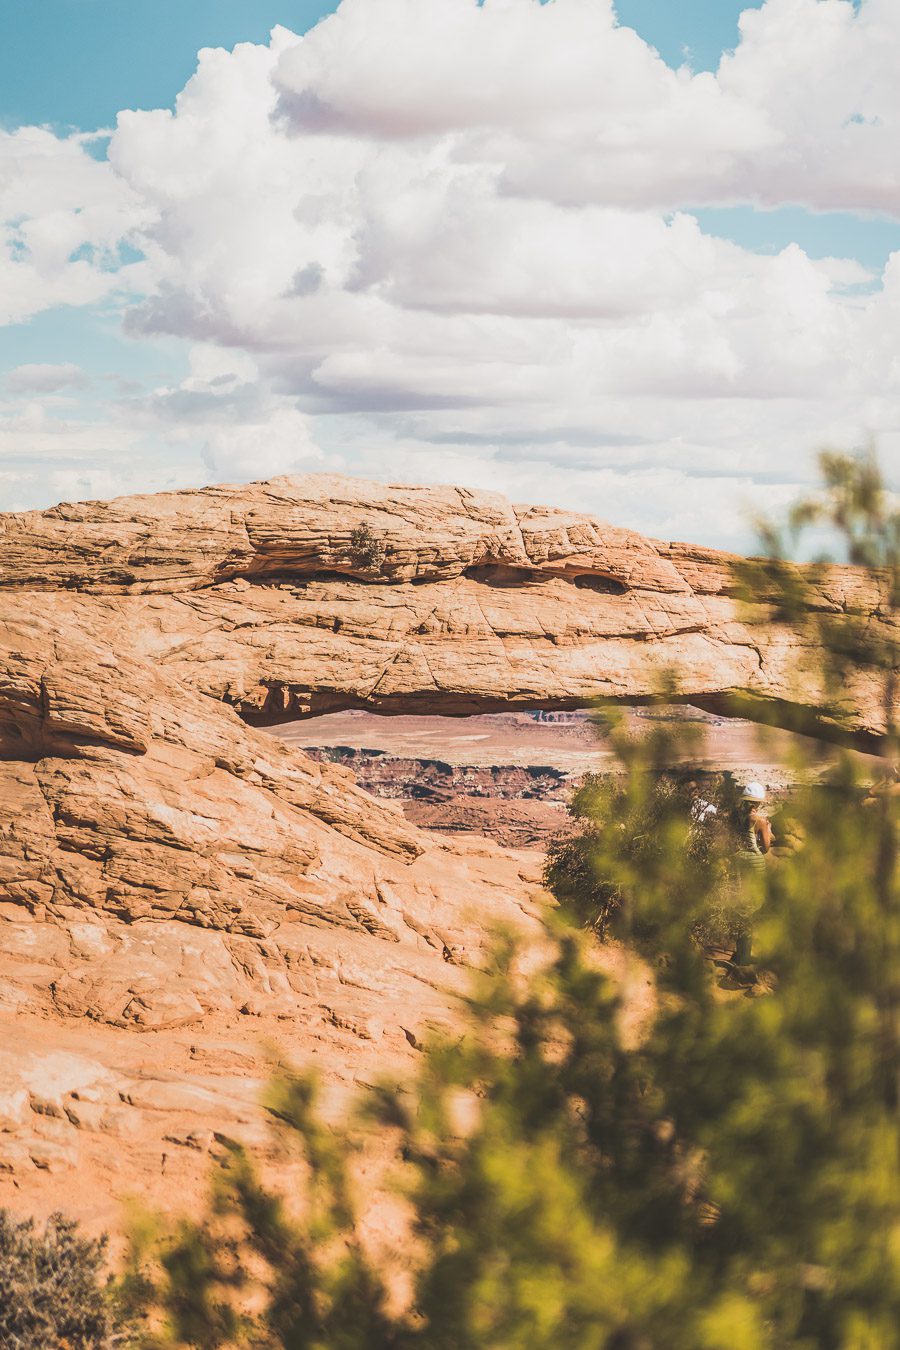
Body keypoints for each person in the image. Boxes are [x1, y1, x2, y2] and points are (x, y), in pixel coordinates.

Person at [730, 781, 773, 967]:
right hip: (755, 864)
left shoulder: (734, 816)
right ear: (757, 803)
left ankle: (741, 954)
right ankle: (744, 959)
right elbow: (765, 847)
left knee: (742, 906)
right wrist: (769, 830)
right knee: (752, 907)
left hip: (739, 861)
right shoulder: (760, 821)